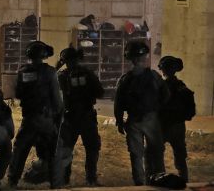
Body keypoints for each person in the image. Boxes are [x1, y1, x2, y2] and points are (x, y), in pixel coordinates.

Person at [7, 40, 63, 189]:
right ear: (44, 55)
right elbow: (56, 97)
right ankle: (55, 183)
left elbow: (18, 93)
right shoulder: (50, 72)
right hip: (46, 118)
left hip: (30, 118)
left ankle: (12, 181)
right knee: (52, 152)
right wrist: (57, 114)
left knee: (20, 150)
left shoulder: (23, 71)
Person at [114, 41, 169, 186]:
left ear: (130, 58)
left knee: (136, 155)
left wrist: (119, 121)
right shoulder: (154, 76)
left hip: (134, 121)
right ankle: (158, 180)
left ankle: (139, 184)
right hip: (152, 119)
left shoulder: (125, 79)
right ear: (145, 57)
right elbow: (166, 96)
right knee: (156, 153)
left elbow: (118, 103)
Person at [53, 47, 104, 187]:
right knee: (92, 148)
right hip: (87, 116)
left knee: (66, 149)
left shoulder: (61, 76)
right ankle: (91, 179)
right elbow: (100, 92)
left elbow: (54, 94)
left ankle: (64, 179)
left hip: (70, 118)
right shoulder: (87, 73)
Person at [158, 55, 194, 182]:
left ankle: (160, 181)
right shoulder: (181, 86)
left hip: (162, 126)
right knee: (180, 157)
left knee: (156, 155)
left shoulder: (160, 86)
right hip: (178, 126)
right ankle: (184, 181)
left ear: (162, 70)